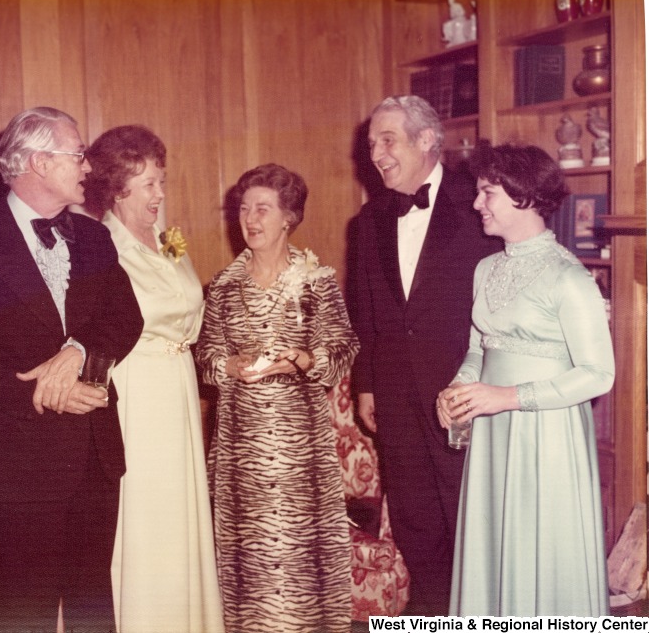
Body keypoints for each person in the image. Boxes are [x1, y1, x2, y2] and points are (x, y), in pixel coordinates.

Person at [0, 107, 144, 630]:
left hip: (92, 460)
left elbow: (123, 318)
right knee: (23, 617)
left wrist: (79, 352)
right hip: (10, 469)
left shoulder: (93, 238)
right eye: (77, 154)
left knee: (92, 613)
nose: (88, 167)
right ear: (39, 161)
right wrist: (42, 391)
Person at [436, 143, 614, 616]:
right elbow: (479, 347)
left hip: (545, 433)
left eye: (487, 193)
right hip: (493, 430)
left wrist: (508, 396)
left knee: (541, 542)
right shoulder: (485, 269)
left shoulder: (569, 277)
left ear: (524, 196)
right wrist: (459, 388)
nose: (477, 204)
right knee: (493, 542)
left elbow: (600, 374)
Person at [347, 95, 501, 615]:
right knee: (415, 522)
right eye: (371, 145)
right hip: (395, 397)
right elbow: (364, 309)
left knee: (469, 517)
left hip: (461, 392)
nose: (377, 154)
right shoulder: (368, 220)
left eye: (387, 141)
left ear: (428, 140)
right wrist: (366, 384)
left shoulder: (480, 203)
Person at [196, 163, 358, 633]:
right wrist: (227, 366)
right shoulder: (224, 287)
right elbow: (206, 353)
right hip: (241, 443)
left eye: (262, 209)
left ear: (288, 217)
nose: (250, 219)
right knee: (249, 552)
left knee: (298, 548)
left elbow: (344, 346)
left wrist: (304, 360)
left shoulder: (316, 280)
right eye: (244, 209)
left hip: (298, 444)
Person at [83, 125, 224, 633]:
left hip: (180, 391)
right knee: (146, 518)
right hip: (136, 395)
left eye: (161, 181)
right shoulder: (98, 246)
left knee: (181, 517)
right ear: (117, 188)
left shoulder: (170, 241)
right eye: (148, 184)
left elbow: (192, 311)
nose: (160, 194)